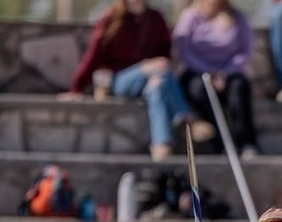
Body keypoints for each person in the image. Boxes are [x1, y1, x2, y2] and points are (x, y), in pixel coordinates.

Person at [62, 0, 215, 162]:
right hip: (119, 80)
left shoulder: (156, 19)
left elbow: (165, 54)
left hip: (151, 79)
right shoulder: (111, 18)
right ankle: (186, 119)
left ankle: (161, 145)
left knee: (156, 89)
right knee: (158, 69)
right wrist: (76, 88)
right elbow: (93, 56)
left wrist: (154, 71)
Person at [173, 0, 259, 157]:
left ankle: (245, 142)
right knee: (198, 90)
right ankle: (220, 144)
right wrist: (209, 72)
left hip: (229, 73)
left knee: (239, 87)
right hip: (197, 72)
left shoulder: (237, 17)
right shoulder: (190, 16)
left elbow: (245, 51)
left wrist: (224, 73)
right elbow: (184, 50)